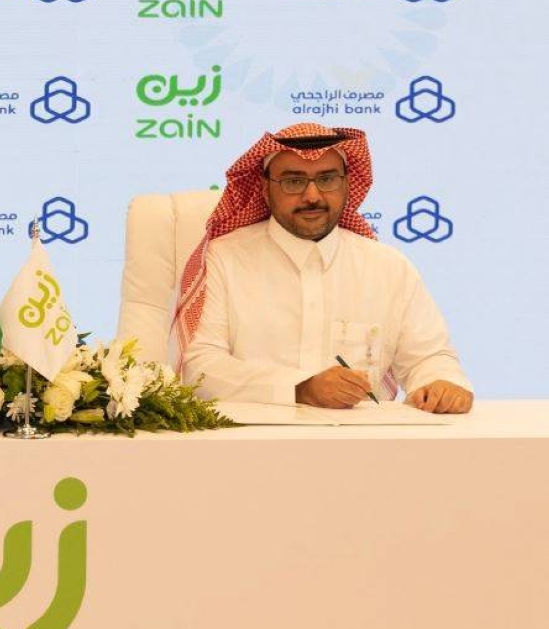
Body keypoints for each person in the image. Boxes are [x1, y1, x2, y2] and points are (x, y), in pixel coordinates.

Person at [172, 122, 472, 412]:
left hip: (362, 441)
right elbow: (200, 367)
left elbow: (428, 357)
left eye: (327, 179)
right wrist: (300, 388)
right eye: (293, 182)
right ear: (264, 189)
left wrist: (441, 383)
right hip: (254, 439)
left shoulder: (388, 267)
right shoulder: (225, 258)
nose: (312, 196)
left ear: (347, 184)